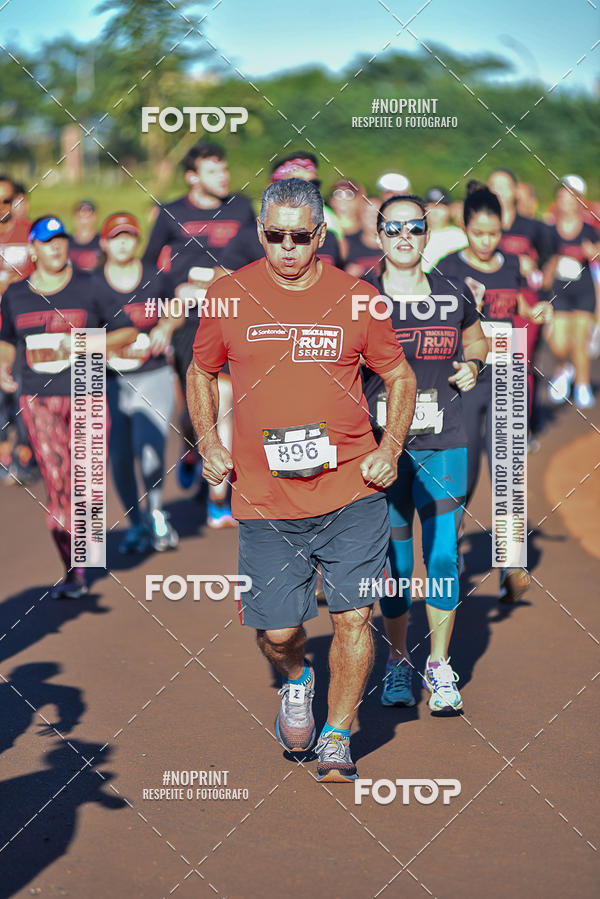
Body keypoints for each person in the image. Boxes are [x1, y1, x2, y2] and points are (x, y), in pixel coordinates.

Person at [188, 178, 416, 782]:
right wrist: (208, 440)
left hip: (350, 487)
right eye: (274, 235)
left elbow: (400, 377)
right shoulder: (228, 295)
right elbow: (202, 370)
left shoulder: (357, 299)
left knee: (352, 617)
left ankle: (338, 735)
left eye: (299, 237)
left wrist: (390, 448)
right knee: (282, 630)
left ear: (320, 234)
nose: (286, 248)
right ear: (261, 232)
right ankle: (296, 678)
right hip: (265, 496)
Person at [363, 194, 488, 712]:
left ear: (427, 234)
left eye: (413, 227)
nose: (404, 237)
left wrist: (474, 366)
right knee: (392, 562)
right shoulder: (361, 297)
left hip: (443, 443)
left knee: (439, 557)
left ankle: (438, 665)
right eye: (393, 229)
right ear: (379, 235)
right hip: (380, 449)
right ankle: (397, 661)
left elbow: (476, 339)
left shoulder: (454, 292)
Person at [0, 216, 133, 597]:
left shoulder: (89, 285)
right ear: (33, 248)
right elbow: (7, 339)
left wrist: (88, 344)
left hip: (87, 390)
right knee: (60, 486)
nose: (56, 247)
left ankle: (85, 549)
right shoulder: (16, 294)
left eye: (61, 240)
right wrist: (4, 366)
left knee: (88, 484)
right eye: (47, 241)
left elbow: (126, 331)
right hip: (38, 397)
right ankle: (74, 569)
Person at [438, 187, 553, 602]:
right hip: (466, 377)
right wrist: (473, 307)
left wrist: (539, 309)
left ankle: (511, 563)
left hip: (507, 373)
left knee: (508, 467)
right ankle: (448, 550)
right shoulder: (448, 268)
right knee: (463, 473)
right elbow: (439, 324)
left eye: (492, 233)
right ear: (464, 227)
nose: (485, 242)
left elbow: (527, 304)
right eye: (478, 232)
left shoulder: (515, 265)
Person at [143, 141, 254, 523]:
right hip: (187, 319)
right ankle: (191, 447)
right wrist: (169, 301)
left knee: (224, 398)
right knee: (195, 403)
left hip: (232, 315)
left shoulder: (242, 208)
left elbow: (257, 260)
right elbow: (148, 268)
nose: (223, 176)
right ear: (192, 177)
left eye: (224, 168)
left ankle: (218, 497)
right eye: (212, 170)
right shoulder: (171, 213)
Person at [94, 212, 179, 552]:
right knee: (119, 456)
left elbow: (175, 308)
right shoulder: (93, 284)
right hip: (112, 380)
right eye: (116, 237)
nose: (124, 242)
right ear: (104, 243)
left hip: (154, 373)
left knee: (151, 452)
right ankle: (135, 522)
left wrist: (165, 327)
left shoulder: (155, 276)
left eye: (129, 235)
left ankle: (156, 512)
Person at [488, 168, 555, 443]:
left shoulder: (532, 227)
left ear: (516, 190)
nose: (498, 192)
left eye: (504, 186)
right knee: (492, 364)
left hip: (526, 301)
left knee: (518, 363)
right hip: (492, 301)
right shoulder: (485, 224)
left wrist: (545, 294)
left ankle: (519, 429)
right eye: (493, 186)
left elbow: (550, 260)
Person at [219, 152, 345, 272]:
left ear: (321, 233)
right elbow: (225, 283)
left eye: (313, 184)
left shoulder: (330, 232)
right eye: (275, 235)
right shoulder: (247, 236)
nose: (288, 244)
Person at [546, 179, 599, 409]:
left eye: (570, 199)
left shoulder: (589, 229)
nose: (565, 203)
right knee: (558, 341)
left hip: (584, 290)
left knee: (580, 341)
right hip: (559, 290)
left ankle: (582, 385)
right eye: (562, 198)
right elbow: (545, 260)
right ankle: (563, 368)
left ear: (579, 202)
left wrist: (593, 253)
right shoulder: (550, 230)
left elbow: (597, 258)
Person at [0, 173, 35, 485]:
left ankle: (26, 453)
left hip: (21, 330)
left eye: (7, 200)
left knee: (23, 392)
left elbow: (37, 278)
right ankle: (4, 455)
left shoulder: (29, 232)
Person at [420, 186, 467, 273]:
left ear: (449, 209)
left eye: (440, 206)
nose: (435, 211)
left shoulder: (459, 236)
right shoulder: (416, 234)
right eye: (431, 205)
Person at [345, 197, 383, 280]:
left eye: (378, 212)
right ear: (359, 216)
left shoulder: (395, 244)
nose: (373, 217)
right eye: (367, 213)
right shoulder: (346, 244)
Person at [69, 200, 102, 273]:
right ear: (75, 217)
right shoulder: (66, 242)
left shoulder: (103, 242)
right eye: (81, 216)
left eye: (88, 216)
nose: (84, 220)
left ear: (95, 216)